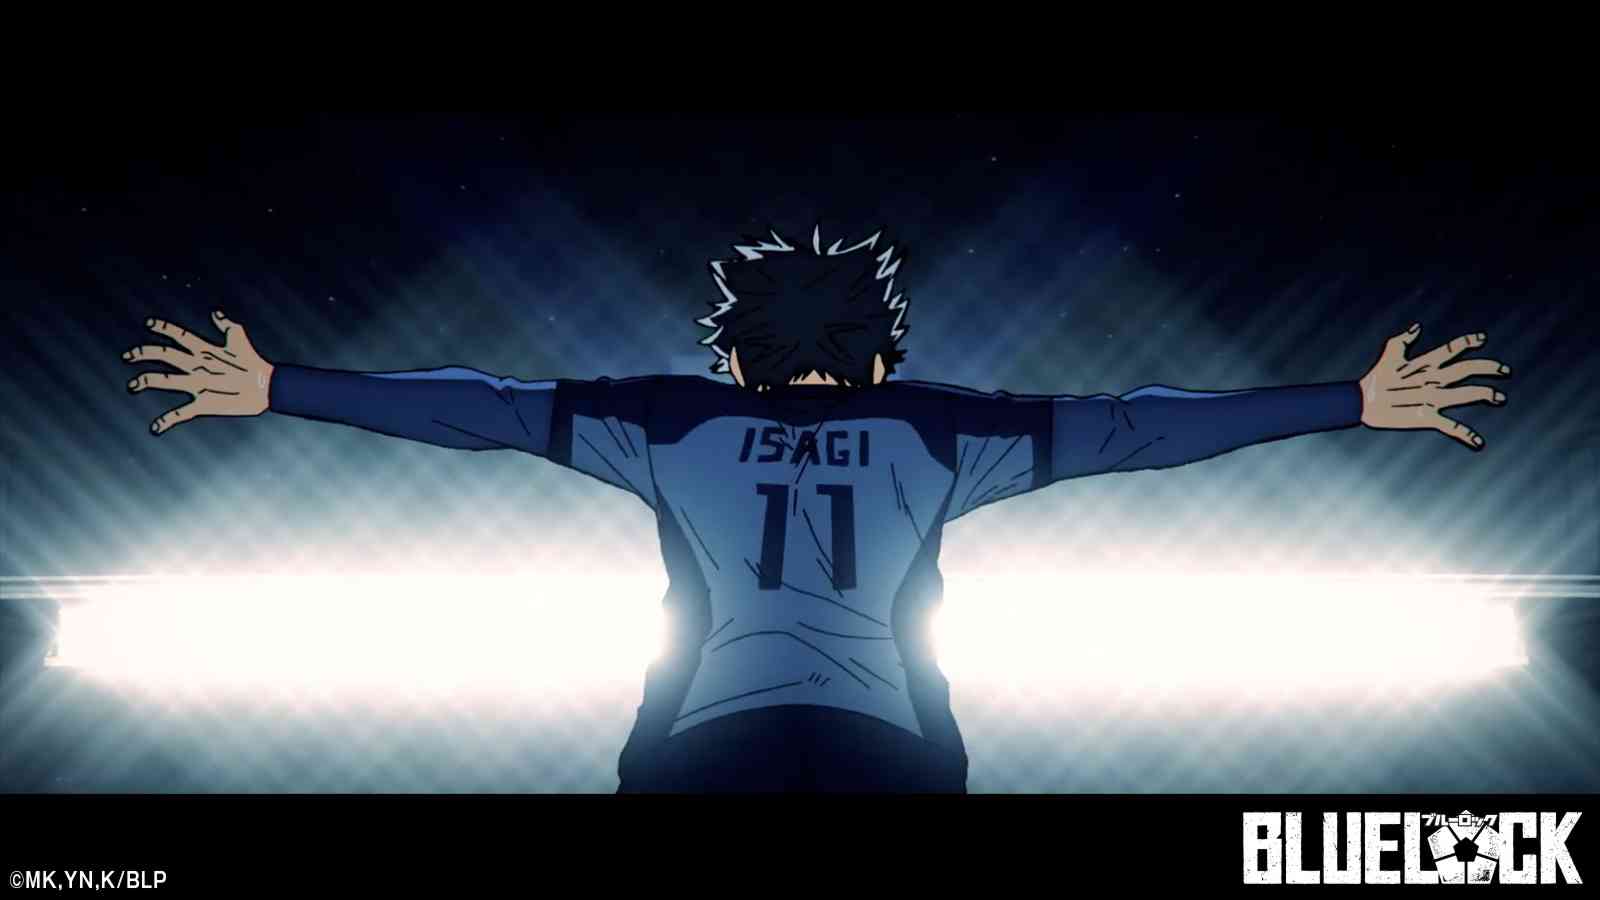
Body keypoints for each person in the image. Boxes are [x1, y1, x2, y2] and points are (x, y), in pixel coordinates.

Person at [122, 227, 1511, 792]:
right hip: (891, 753)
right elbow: (1142, 427)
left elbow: (478, 407)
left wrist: (280, 385)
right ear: (884, 356)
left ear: (732, 357)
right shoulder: (941, 427)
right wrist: (1351, 401)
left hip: (697, 750)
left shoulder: (668, 420)